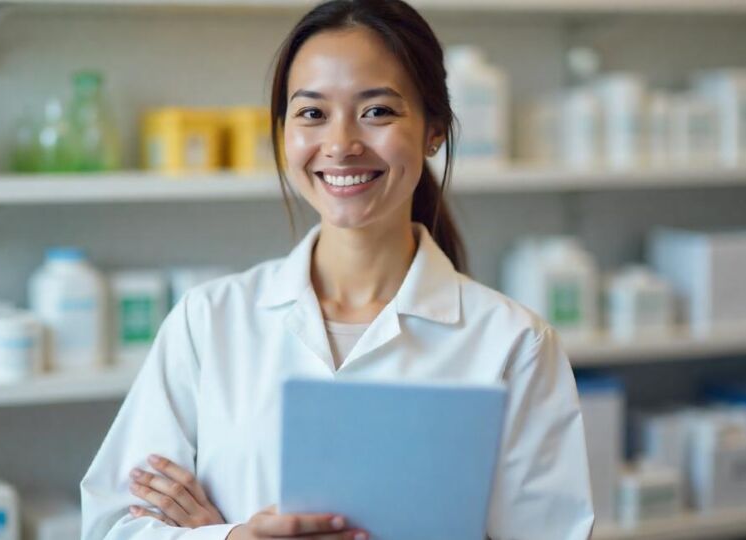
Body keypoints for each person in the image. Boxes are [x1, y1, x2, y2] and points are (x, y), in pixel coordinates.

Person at [80, 1, 594, 538]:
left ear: (434, 130)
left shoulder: (515, 345)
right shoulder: (209, 322)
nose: (341, 145)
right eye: (312, 113)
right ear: (284, 134)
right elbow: (113, 523)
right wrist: (233, 537)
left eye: (377, 112)